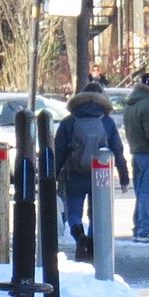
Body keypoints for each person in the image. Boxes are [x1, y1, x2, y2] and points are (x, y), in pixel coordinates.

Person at [54, 81, 130, 262]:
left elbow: (60, 151)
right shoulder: (107, 122)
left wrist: (54, 174)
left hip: (75, 173)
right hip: (100, 175)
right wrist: (124, 176)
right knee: (98, 211)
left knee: (74, 212)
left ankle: (80, 237)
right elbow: (117, 151)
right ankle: (93, 243)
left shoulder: (69, 122)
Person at [123, 74, 149, 242]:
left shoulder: (132, 103)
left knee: (142, 192)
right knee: (148, 193)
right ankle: (145, 229)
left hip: (137, 152)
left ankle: (139, 227)